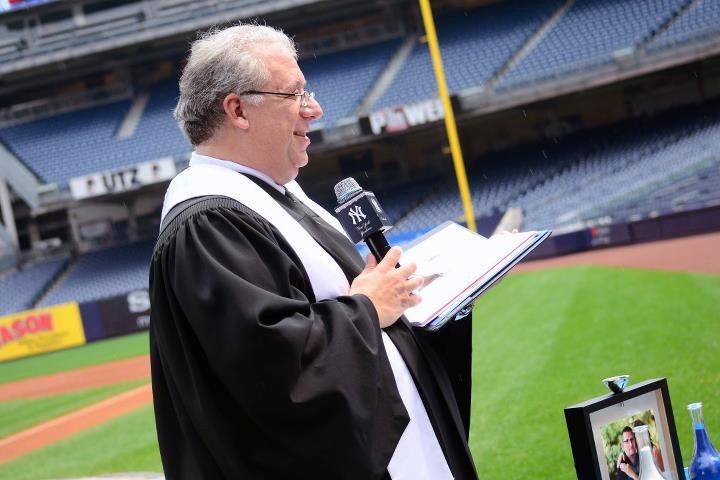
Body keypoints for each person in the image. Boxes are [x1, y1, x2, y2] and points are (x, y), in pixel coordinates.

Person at [149, 24, 478, 479]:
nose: (315, 110)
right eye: (296, 94)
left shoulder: (277, 193)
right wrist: (368, 307)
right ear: (238, 109)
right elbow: (271, 370)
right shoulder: (209, 223)